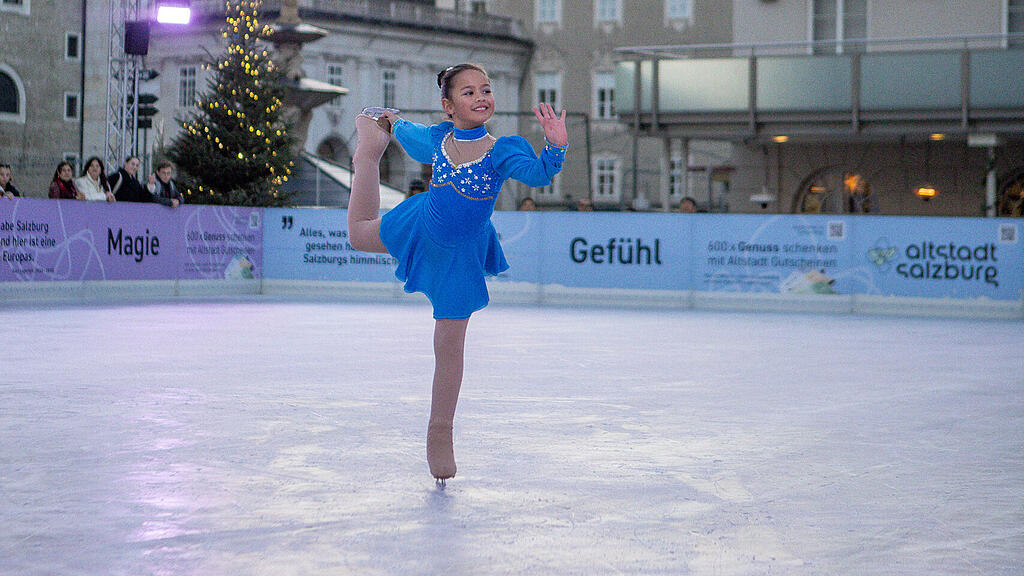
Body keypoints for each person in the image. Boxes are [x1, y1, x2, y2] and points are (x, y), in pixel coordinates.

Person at [348, 63, 567, 486]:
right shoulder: (437, 140)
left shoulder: (502, 150)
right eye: (468, 92)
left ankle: (440, 431)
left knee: (448, 347)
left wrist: (555, 147)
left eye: (485, 89)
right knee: (359, 235)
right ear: (448, 106)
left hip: (460, 256)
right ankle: (367, 157)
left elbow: (539, 173)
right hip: (422, 225)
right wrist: (386, 123)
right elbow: (406, 130)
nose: (481, 97)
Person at [111, 156, 179, 207]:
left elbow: (143, 198)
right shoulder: (116, 176)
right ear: (125, 163)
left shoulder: (135, 181)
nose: (134, 167)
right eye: (132, 164)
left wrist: (150, 185)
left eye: (137, 165)